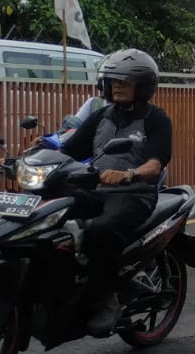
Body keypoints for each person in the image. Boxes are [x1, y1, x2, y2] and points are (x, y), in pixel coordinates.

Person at [55, 49, 173, 335]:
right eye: (112, 81)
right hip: (96, 191)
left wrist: (128, 174)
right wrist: (23, 158)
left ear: (143, 86)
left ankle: (107, 297)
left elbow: (155, 164)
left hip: (134, 194)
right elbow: (66, 150)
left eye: (125, 81)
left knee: (100, 231)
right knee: (49, 223)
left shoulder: (156, 119)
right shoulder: (100, 117)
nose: (116, 86)